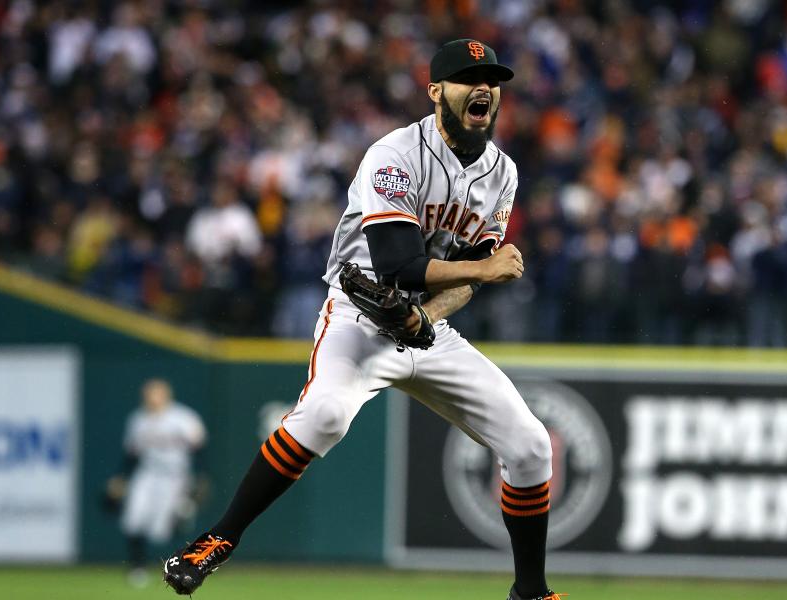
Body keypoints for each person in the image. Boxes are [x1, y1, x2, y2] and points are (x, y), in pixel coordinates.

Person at [163, 39, 561, 600]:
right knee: (325, 414)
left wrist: (426, 317)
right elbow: (399, 263)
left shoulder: (503, 174)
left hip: (428, 326)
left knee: (531, 446)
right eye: (467, 77)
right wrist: (470, 276)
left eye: (492, 79)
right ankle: (219, 537)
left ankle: (531, 591)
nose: (483, 87)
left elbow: (473, 277)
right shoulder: (395, 154)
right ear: (435, 92)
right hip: (359, 313)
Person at [112, 378, 206, 586]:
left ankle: (188, 563)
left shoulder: (183, 418)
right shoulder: (137, 420)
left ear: (166, 395)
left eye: (157, 393)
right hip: (147, 474)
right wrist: (121, 478)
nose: (152, 398)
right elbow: (132, 455)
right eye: (149, 394)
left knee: (161, 531)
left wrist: (200, 477)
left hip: (175, 477)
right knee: (133, 519)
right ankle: (137, 568)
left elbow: (199, 450)